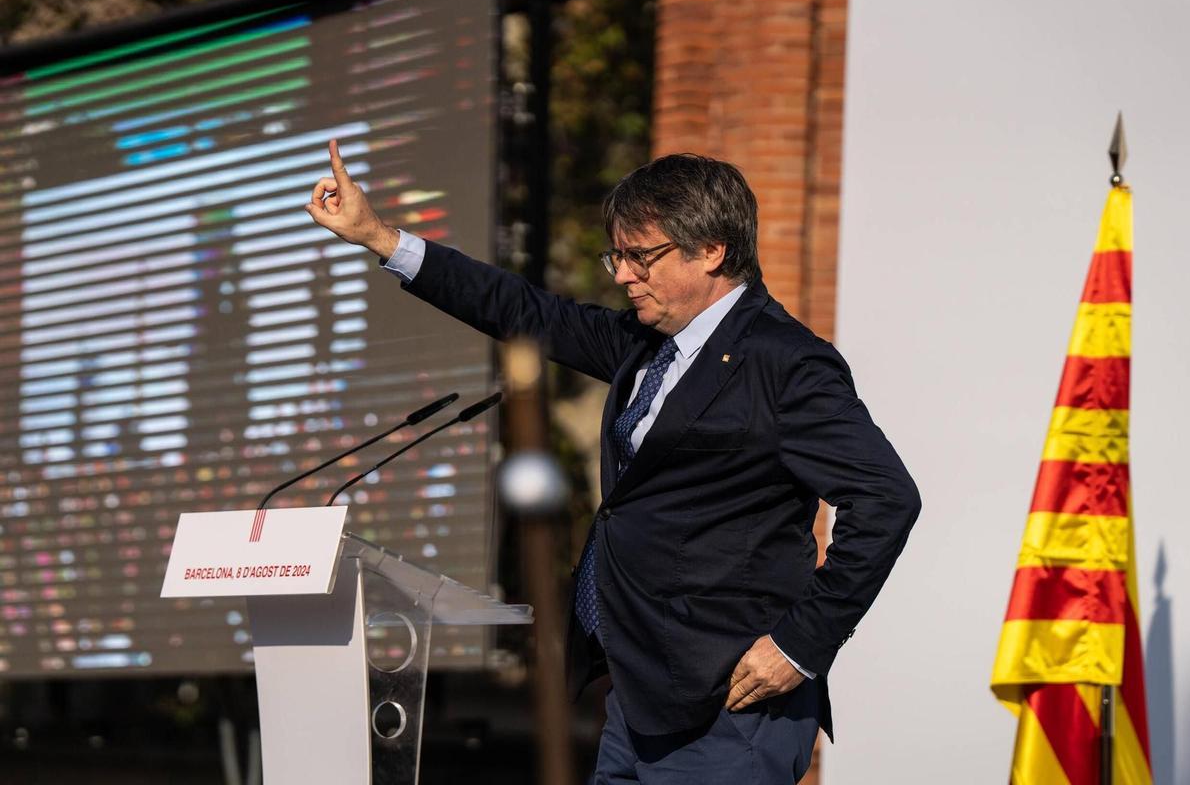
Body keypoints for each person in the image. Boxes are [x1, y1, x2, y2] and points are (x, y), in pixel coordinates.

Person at [306, 141, 920, 784]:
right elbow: (524, 309)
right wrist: (380, 237)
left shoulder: (785, 362)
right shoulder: (647, 342)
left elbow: (887, 500)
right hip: (638, 693)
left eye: (641, 256)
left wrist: (800, 645)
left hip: (730, 704)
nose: (623, 275)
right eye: (617, 255)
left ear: (711, 250)